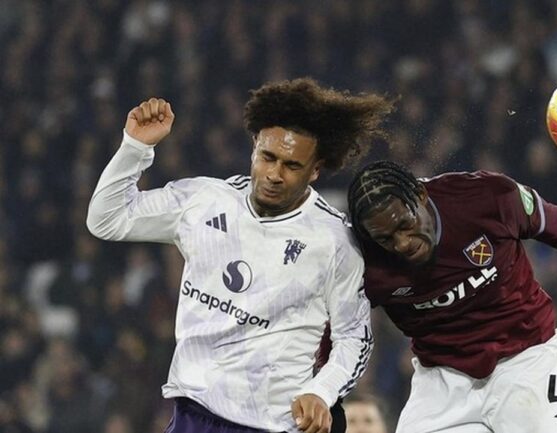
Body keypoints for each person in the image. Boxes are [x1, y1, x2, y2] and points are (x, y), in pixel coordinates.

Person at [87, 78, 395, 433]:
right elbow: (107, 220)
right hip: (192, 415)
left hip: (272, 424)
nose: (274, 174)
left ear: (315, 170)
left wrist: (321, 391)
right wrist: (134, 148)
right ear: (254, 147)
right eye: (268, 157)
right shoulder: (203, 201)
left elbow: (355, 337)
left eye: (292, 166)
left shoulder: (335, 241)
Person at [346, 160, 557, 433]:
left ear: (420, 195)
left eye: (405, 225)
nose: (402, 244)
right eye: (386, 238)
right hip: (443, 381)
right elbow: (334, 327)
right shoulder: (359, 259)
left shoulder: (486, 198)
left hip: (527, 361)